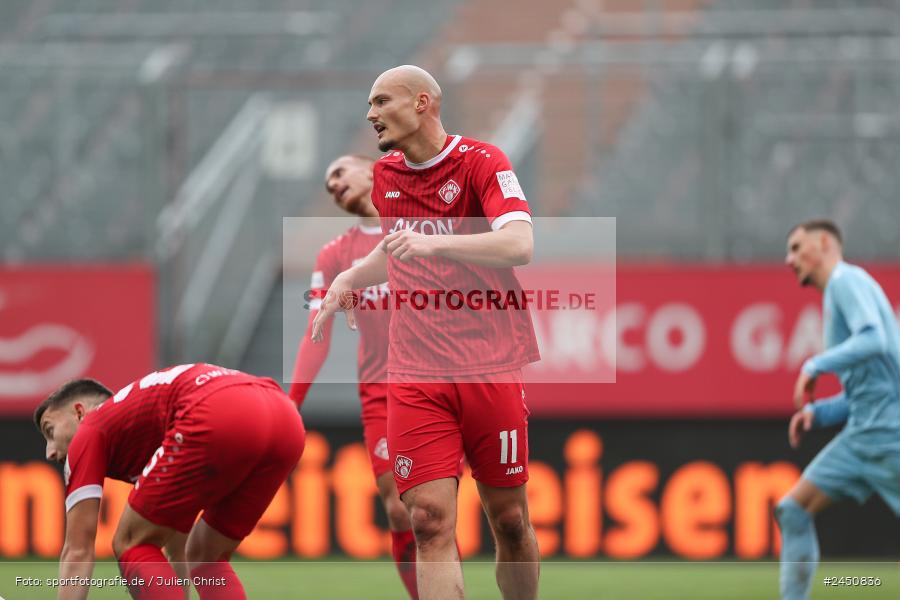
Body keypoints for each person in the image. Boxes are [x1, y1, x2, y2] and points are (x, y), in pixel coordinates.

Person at [312, 65, 541, 600]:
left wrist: (435, 242)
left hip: (489, 365)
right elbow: (395, 246)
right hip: (414, 373)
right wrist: (350, 276)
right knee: (428, 520)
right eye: (369, 104)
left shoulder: (483, 161)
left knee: (509, 519)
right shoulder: (387, 175)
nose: (370, 114)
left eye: (381, 101)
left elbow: (519, 244)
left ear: (421, 103)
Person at [35, 363, 305, 600]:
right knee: (204, 555)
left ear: (80, 413)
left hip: (219, 408)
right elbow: (177, 552)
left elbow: (78, 550)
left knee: (130, 541)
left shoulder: (91, 428)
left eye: (50, 431)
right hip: (285, 418)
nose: (50, 452)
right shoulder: (148, 429)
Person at [288, 153, 419, 599]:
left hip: (441, 381)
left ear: (371, 171)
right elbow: (316, 332)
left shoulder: (422, 228)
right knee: (401, 511)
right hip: (382, 391)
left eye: (340, 172)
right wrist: (291, 405)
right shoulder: (334, 255)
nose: (333, 185)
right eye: (327, 184)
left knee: (439, 510)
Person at [778, 219, 900, 600]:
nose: (789, 259)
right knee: (792, 509)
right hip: (863, 436)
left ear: (824, 243)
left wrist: (815, 364)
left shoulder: (846, 281)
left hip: (891, 435)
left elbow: (875, 339)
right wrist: (819, 414)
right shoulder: (836, 294)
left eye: (796, 248)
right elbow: (867, 390)